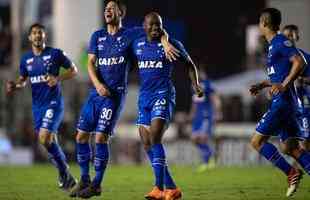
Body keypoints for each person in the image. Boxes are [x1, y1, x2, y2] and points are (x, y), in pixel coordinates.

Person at [69, 0, 179, 198]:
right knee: (80, 136)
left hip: (113, 95)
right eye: (106, 9)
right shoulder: (98, 36)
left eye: (112, 8)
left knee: (101, 137)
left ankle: (96, 183)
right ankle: (85, 179)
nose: (107, 11)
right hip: (96, 94)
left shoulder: (131, 34)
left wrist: (164, 41)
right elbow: (91, 64)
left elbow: (156, 29)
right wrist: (97, 85)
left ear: (121, 13)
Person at [132, 12, 203, 200]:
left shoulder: (171, 45)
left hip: (163, 95)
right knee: (147, 143)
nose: (156, 28)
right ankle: (172, 188)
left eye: (159, 25)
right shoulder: (137, 44)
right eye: (152, 25)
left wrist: (195, 84)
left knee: (155, 137)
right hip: (144, 97)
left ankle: (158, 187)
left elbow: (189, 64)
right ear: (144, 26)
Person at [6, 23, 78, 190]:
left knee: (44, 138)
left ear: (45, 36)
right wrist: (15, 86)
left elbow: (73, 71)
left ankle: (64, 171)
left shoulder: (55, 54)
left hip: (54, 103)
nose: (38, 35)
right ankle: (65, 175)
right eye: (34, 33)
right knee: (47, 142)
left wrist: (57, 78)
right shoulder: (26, 60)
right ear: (30, 37)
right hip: (38, 106)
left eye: (40, 33)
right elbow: (23, 81)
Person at [249, 8, 310, 197]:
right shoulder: (271, 47)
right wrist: (264, 85)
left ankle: (291, 173)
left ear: (265, 23)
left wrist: (284, 85)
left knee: (257, 142)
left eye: (259, 23)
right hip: (288, 103)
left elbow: (300, 62)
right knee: (290, 148)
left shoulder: (279, 42)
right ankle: (297, 170)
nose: (259, 26)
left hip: (283, 103)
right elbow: (280, 75)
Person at [282, 24, 310, 152]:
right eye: (286, 36)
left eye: (292, 35)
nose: (289, 38)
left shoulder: (305, 58)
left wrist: (301, 79)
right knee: (287, 147)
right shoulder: (279, 59)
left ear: (296, 37)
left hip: (303, 106)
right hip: (286, 107)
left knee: (305, 144)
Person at [190, 70, 222, 172]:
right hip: (197, 117)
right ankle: (211, 155)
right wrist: (192, 114)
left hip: (206, 115)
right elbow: (195, 102)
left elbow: (215, 99)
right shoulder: (194, 86)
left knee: (203, 138)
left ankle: (206, 162)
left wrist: (217, 112)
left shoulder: (208, 84)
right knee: (194, 138)